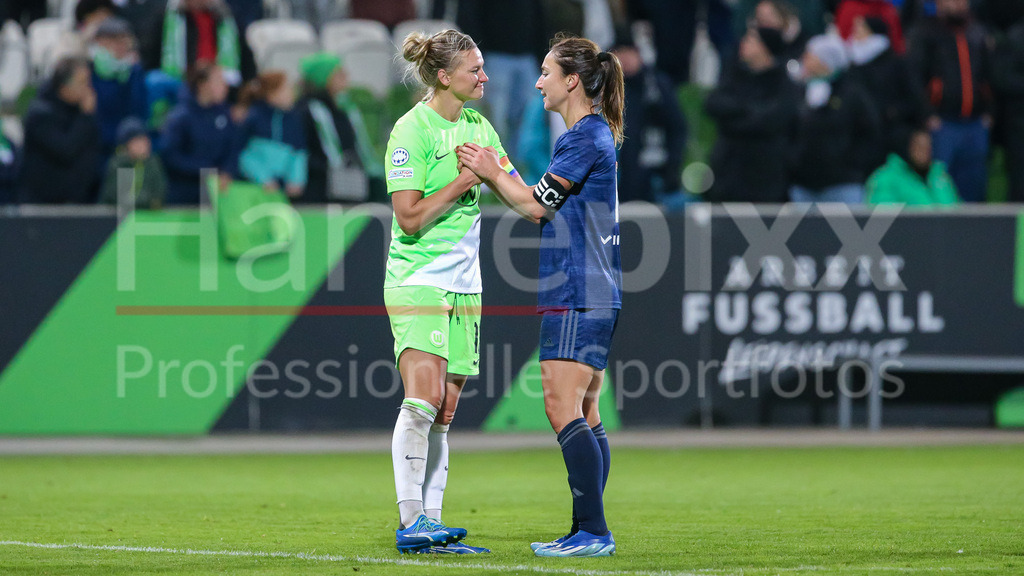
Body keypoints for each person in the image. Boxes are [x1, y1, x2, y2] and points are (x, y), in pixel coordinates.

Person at [457, 33, 622, 558]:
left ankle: (594, 531)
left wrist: (491, 170)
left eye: (547, 72)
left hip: (578, 287)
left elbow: (535, 207)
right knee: (587, 411)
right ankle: (585, 529)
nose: (538, 81)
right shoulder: (589, 135)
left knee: (560, 406)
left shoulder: (583, 138)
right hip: (593, 288)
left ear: (572, 80)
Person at [383, 29, 518, 555]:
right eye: (474, 69)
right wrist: (465, 182)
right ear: (444, 76)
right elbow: (409, 217)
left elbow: (520, 194)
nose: (484, 76)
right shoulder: (410, 131)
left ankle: (433, 527)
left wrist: (563, 199)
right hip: (418, 278)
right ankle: (411, 520)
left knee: (445, 410)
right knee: (422, 400)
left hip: (466, 286)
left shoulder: (479, 126)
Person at [906, 0, 993, 202]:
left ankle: (973, 232)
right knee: (940, 183)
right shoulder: (925, 32)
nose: (957, 5)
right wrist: (927, 114)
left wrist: (990, 112)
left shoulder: (977, 32)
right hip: (942, 122)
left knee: (974, 184)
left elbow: (989, 75)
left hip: (975, 122)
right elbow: (915, 78)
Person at [706, 26, 800, 202]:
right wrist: (748, 109)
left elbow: (770, 120)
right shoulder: (735, 75)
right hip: (728, 177)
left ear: (766, 47)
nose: (743, 44)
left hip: (767, 180)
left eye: (751, 40)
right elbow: (713, 104)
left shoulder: (783, 84)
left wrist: (733, 117)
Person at [789, 33, 882, 203]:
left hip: (843, 184)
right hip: (802, 184)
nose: (805, 59)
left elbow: (870, 134)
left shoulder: (852, 94)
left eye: (810, 55)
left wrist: (852, 165)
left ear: (825, 60)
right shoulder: (798, 92)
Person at [612, 32, 688, 204]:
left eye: (628, 51)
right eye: (619, 52)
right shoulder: (606, 89)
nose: (624, 57)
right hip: (619, 178)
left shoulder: (657, 86)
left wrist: (672, 167)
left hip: (654, 174)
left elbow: (677, 128)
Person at [298, 52, 384, 203]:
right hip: (321, 184)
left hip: (349, 180)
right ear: (324, 78)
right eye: (338, 74)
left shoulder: (345, 108)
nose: (346, 76)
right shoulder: (306, 110)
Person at [847, 16, 929, 171]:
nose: (855, 33)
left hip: (894, 137)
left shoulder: (897, 62)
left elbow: (915, 99)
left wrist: (892, 112)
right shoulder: (852, 65)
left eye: (861, 28)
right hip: (863, 140)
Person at [18, 56, 101, 204]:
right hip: (43, 204)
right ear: (64, 86)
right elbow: (65, 149)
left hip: (78, 200)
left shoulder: (80, 111)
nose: (88, 89)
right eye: (82, 82)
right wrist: (85, 117)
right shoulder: (41, 113)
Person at [160, 63, 235, 204]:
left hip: (216, 193)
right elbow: (170, 155)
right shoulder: (180, 117)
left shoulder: (224, 115)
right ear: (203, 84)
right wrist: (206, 171)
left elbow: (232, 147)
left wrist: (227, 171)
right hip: (184, 195)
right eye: (218, 81)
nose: (225, 86)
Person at [89, 17, 149, 178]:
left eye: (124, 40)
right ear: (100, 42)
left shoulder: (134, 71)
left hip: (127, 147)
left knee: (125, 196)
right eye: (115, 40)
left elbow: (139, 108)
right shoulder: (89, 70)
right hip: (96, 147)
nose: (121, 46)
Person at [232, 71, 307, 198]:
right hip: (253, 189)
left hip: (283, 192)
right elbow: (242, 153)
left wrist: (296, 180)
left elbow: (299, 152)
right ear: (271, 94)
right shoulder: (253, 117)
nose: (290, 93)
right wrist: (263, 178)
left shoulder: (294, 120)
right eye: (284, 89)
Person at [867, 129, 960, 206]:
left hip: (946, 227)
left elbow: (958, 211)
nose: (924, 153)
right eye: (919, 147)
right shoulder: (885, 179)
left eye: (928, 148)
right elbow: (880, 220)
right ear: (908, 148)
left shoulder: (940, 177)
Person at [100, 117, 168, 209]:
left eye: (145, 139)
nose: (144, 144)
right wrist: (148, 201)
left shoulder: (153, 163)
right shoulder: (119, 163)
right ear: (126, 146)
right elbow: (123, 201)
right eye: (138, 141)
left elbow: (159, 195)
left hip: (146, 218)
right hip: (117, 220)